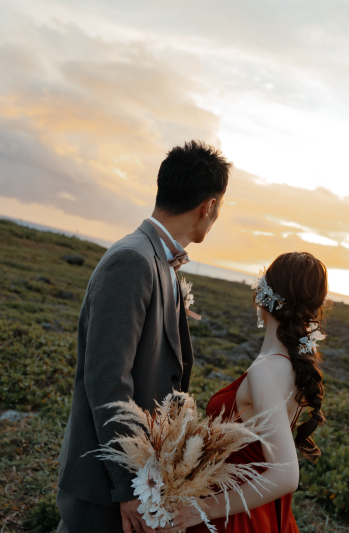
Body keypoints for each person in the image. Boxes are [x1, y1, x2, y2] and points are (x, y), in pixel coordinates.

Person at [56, 141, 232, 533]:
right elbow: (107, 382)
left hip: (137, 482)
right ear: (209, 206)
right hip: (107, 488)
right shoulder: (133, 261)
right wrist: (128, 488)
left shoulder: (158, 260)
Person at [158, 252, 329, 533]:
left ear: (264, 295)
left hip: (233, 515)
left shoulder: (268, 370)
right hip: (259, 508)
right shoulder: (291, 364)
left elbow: (286, 475)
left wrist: (202, 509)